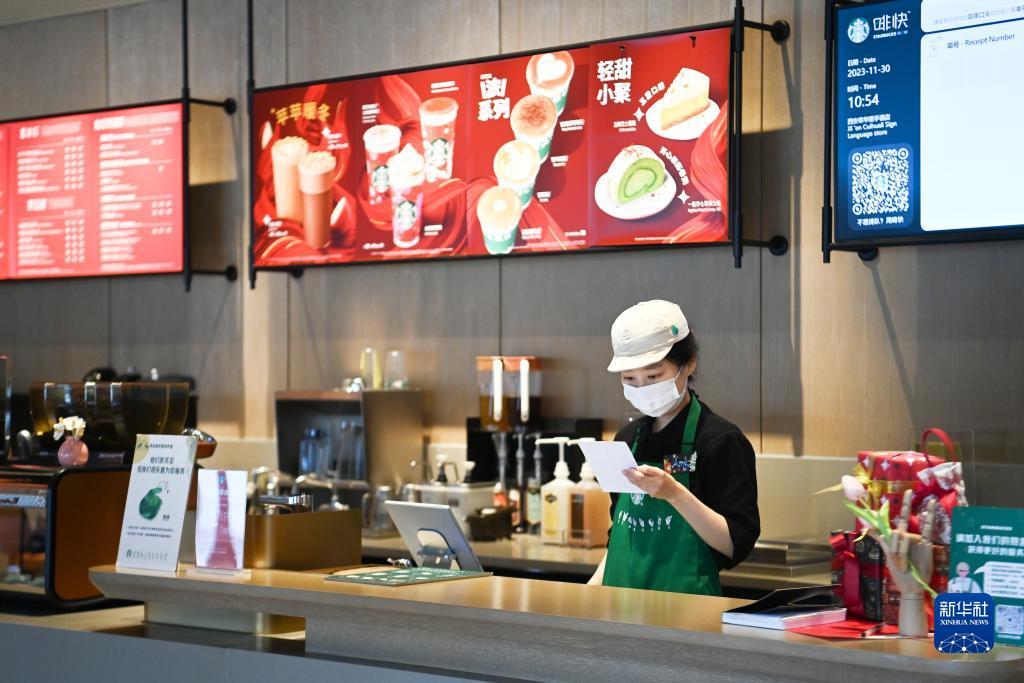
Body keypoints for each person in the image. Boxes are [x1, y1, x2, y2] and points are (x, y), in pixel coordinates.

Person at [588, 300, 759, 595]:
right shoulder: (627, 439)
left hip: (686, 609)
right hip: (621, 604)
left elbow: (735, 544)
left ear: (688, 364)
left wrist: (674, 494)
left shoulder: (720, 440)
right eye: (629, 379)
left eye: (654, 376)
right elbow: (622, 532)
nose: (642, 387)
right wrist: (591, 591)